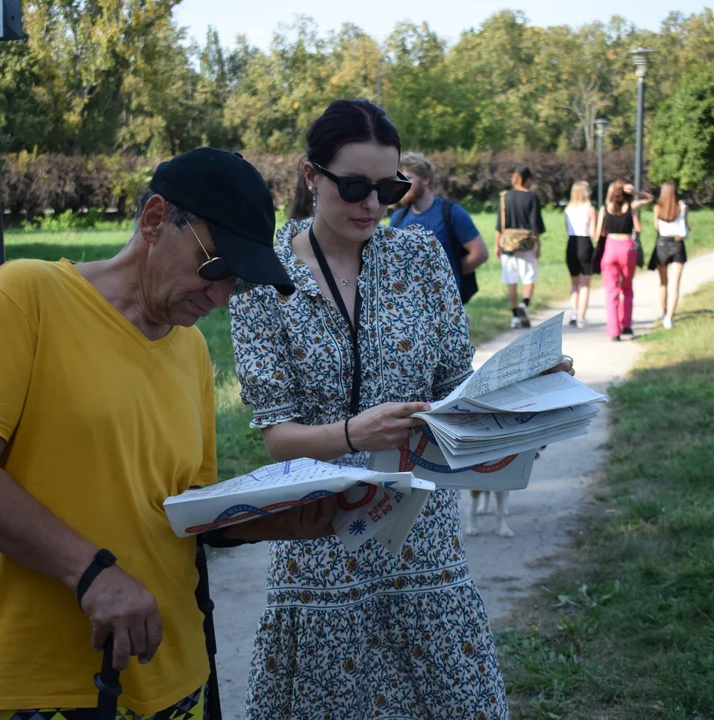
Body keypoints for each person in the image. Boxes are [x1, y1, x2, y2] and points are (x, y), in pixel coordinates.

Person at [0, 148, 338, 720]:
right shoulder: (26, 296)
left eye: (235, 284)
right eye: (214, 267)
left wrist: (275, 519)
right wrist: (93, 575)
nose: (219, 297)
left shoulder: (190, 351)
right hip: (51, 685)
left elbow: (179, 511)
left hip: (178, 676)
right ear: (155, 219)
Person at [230, 100, 573, 719]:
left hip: (424, 541)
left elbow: (454, 394)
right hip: (321, 541)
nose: (372, 204)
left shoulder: (420, 260)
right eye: (354, 186)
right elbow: (278, 439)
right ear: (312, 176)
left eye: (388, 187)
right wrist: (350, 433)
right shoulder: (263, 279)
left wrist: (526, 403)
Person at [390, 151, 488, 304]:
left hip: (446, 305)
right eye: (400, 180)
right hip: (409, 305)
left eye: (408, 178)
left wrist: (447, 274)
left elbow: (480, 253)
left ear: (426, 179)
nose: (403, 185)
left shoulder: (451, 212)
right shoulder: (397, 219)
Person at [595, 179, 652, 341]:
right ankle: (626, 326)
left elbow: (599, 232)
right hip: (627, 248)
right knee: (626, 289)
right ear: (626, 192)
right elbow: (650, 198)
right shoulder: (631, 207)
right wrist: (635, 194)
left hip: (610, 248)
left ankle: (614, 331)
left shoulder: (605, 208)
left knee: (611, 291)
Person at [495, 165, 545, 328]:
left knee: (511, 281)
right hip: (526, 245)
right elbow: (536, 224)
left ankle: (515, 316)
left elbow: (499, 225)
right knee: (529, 278)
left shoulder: (505, 197)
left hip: (508, 245)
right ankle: (524, 304)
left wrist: (497, 245)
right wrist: (538, 246)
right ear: (528, 180)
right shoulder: (532, 197)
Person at [650, 180, 690, 329]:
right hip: (678, 244)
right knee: (675, 284)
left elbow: (656, 227)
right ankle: (669, 318)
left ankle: (664, 311)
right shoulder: (683, 207)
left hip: (662, 244)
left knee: (663, 283)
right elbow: (686, 225)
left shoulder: (657, 208)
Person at [564, 180, 597, 328]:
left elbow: (567, 229)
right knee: (585, 285)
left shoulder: (568, 209)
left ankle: (574, 313)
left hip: (571, 244)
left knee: (574, 283)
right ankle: (582, 317)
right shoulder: (590, 209)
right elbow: (593, 232)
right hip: (584, 244)